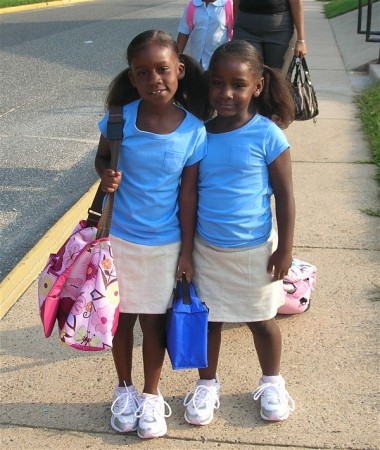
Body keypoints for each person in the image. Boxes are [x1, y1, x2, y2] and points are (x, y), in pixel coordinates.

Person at [95, 30, 208, 439]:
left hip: (165, 245)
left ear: (179, 70)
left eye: (162, 69)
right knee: (120, 321)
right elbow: (103, 156)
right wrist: (105, 176)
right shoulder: (118, 118)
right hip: (119, 239)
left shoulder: (194, 130)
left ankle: (150, 395)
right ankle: (123, 389)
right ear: (132, 76)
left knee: (154, 325)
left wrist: (187, 251)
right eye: (142, 73)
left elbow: (189, 193)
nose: (154, 79)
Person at [183, 40, 296, 427]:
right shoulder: (198, 134)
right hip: (207, 249)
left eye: (238, 84)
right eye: (217, 83)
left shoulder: (268, 135)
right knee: (209, 321)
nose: (226, 93)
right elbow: (190, 196)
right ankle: (207, 384)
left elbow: (285, 196)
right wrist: (186, 253)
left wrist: (285, 250)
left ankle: (272, 382)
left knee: (261, 320)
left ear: (258, 86)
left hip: (255, 251)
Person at [232, 0, 307, 70]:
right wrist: (235, 28)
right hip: (245, 29)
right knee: (248, 73)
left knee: (277, 78)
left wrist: (301, 40)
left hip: (280, 31)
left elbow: (296, 2)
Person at [177, 0, 234, 70]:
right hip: (196, 64)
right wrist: (176, 59)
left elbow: (235, 34)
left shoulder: (228, 6)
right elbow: (183, 34)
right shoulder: (192, 6)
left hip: (219, 63)